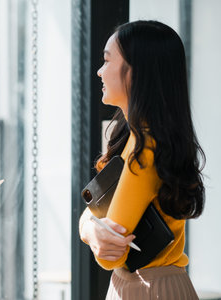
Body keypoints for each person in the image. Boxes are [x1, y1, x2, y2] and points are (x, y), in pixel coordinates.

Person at [79, 20, 205, 299]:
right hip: (137, 285)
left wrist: (91, 230)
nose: (99, 72)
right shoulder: (133, 136)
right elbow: (94, 217)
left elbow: (111, 255)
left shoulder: (146, 147)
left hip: (150, 289)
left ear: (136, 72)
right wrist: (90, 230)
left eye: (107, 61)